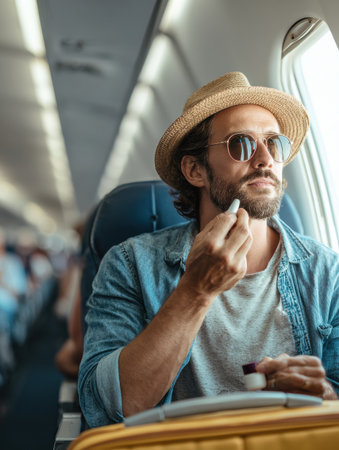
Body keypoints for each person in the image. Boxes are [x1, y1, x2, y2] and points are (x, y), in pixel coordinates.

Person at [78, 71, 339, 427]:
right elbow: (110, 407)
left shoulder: (327, 273)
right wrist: (196, 290)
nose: (264, 159)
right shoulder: (129, 264)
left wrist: (325, 397)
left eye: (274, 144)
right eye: (241, 144)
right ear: (195, 170)